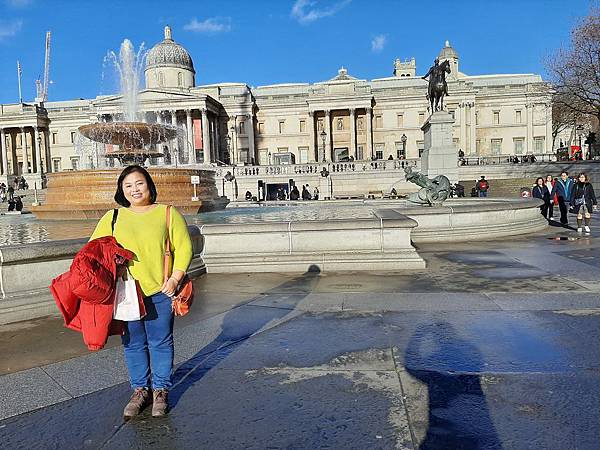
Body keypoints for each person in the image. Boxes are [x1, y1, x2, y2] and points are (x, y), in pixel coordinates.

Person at [89, 165, 193, 419]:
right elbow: (93, 251)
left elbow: (184, 247)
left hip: (160, 290)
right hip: (126, 292)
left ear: (149, 186)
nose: (135, 189)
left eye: (139, 183)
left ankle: (160, 391)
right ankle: (139, 390)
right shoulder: (113, 218)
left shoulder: (167, 213)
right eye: (128, 185)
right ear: (121, 190)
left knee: (160, 342)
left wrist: (175, 277)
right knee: (133, 344)